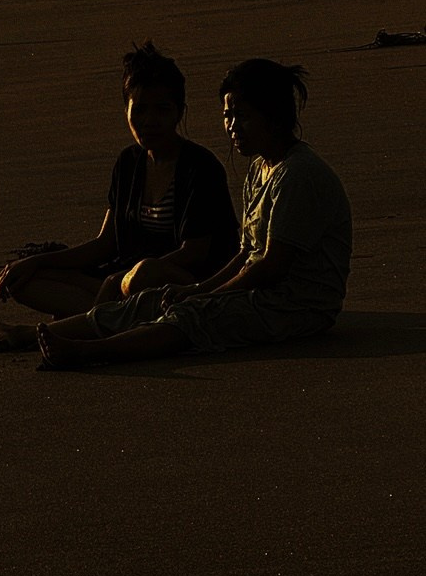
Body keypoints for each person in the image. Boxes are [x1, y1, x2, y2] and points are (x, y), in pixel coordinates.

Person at [29, 57, 352, 370]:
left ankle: (87, 351)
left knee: (190, 316)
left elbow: (271, 266)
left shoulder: (298, 174)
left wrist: (203, 294)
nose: (232, 127)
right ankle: (32, 335)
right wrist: (195, 291)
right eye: (228, 116)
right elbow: (246, 254)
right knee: (150, 301)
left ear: (275, 117)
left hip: (297, 305)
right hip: (259, 291)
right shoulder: (259, 168)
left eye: (242, 116)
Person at [0, 40, 238, 353]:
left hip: (182, 286)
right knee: (25, 279)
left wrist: (122, 279)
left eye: (162, 109)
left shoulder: (200, 166)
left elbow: (196, 253)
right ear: (126, 110)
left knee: (144, 274)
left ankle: (25, 333)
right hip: (122, 285)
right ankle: (96, 320)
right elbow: (104, 244)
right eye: (140, 109)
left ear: (179, 112)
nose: (150, 120)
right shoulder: (128, 163)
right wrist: (33, 262)